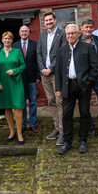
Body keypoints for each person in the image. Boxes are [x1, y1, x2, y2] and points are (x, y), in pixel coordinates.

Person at [55, 24, 98, 155]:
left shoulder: (88, 47)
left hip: (83, 86)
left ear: (78, 34)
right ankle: (67, 142)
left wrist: (88, 81)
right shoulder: (61, 51)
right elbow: (58, 71)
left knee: (84, 112)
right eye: (68, 34)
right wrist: (58, 88)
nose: (70, 36)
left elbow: (95, 67)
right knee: (66, 114)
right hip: (67, 86)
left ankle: (83, 141)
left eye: (73, 33)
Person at [36, 12, 67, 146]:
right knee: (51, 101)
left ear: (55, 20)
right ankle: (56, 127)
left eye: (50, 19)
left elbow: (63, 53)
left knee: (60, 101)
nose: (48, 22)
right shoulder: (42, 35)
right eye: (46, 20)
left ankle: (63, 131)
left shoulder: (62, 34)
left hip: (57, 73)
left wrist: (51, 68)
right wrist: (43, 69)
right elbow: (39, 53)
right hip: (45, 75)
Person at [0, 31, 27, 144]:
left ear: (12, 40)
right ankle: (11, 132)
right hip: (3, 84)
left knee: (18, 108)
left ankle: (19, 133)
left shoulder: (17, 52)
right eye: (5, 38)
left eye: (9, 38)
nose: (7, 40)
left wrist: (15, 71)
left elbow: (23, 66)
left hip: (16, 83)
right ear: (2, 40)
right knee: (7, 108)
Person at [12, 25, 39, 132]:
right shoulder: (14, 46)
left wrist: (38, 77)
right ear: (19, 33)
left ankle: (32, 123)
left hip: (32, 77)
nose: (24, 33)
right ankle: (22, 123)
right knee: (21, 102)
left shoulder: (35, 45)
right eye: (22, 31)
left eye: (26, 31)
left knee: (33, 102)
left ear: (29, 33)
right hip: (19, 78)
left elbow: (38, 62)